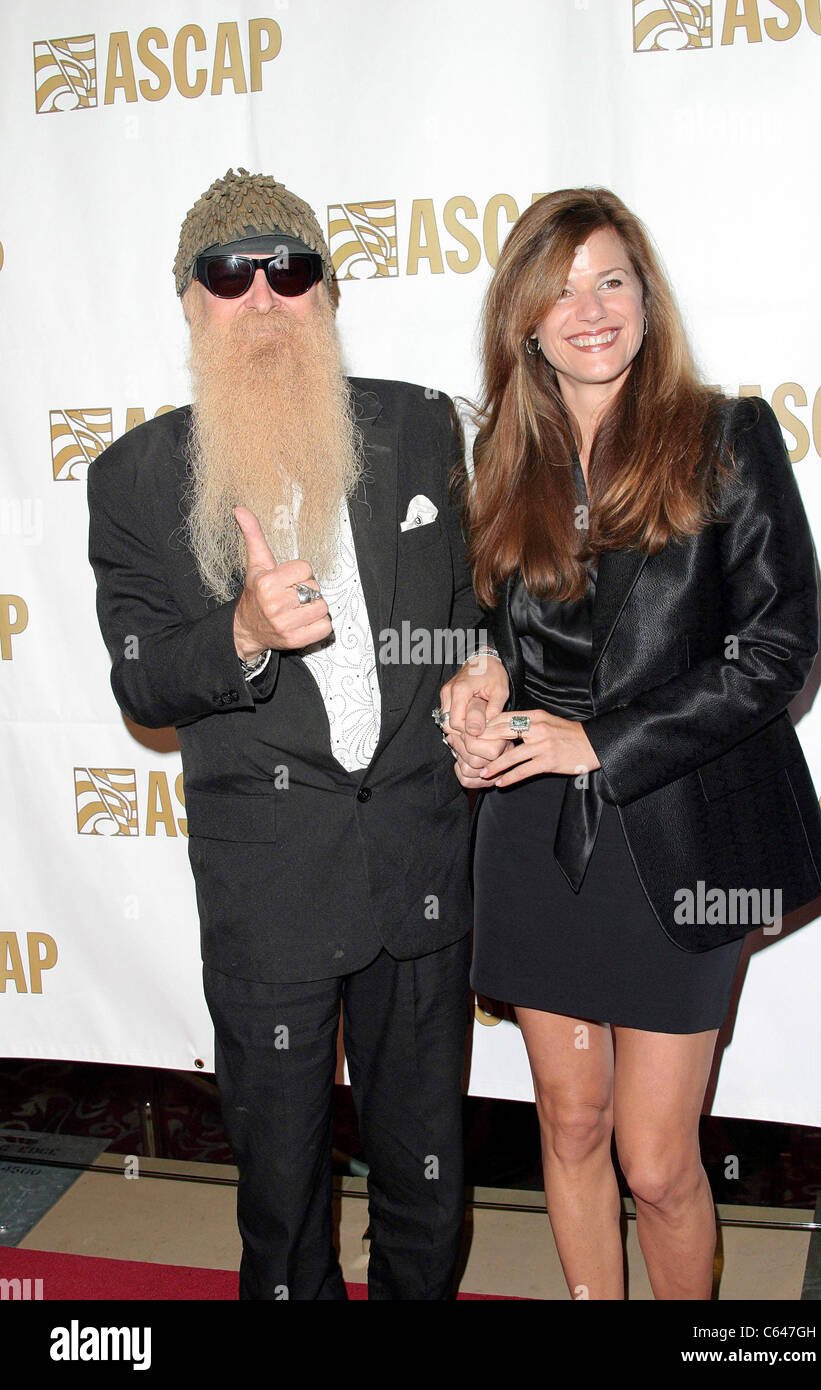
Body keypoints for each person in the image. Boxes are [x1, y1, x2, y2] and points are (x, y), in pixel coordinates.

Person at [87, 167, 495, 1300]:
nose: (261, 294)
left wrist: (480, 666)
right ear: (188, 299)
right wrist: (242, 631)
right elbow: (141, 681)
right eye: (230, 272)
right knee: (280, 1190)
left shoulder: (416, 428)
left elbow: (473, 606)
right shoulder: (132, 480)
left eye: (290, 268)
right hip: (268, 891)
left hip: (417, 862)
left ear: (325, 292)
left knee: (427, 1173)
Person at [440, 187, 821, 1300]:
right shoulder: (501, 456)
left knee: (657, 1160)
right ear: (521, 320)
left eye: (610, 278)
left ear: (645, 297)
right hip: (529, 831)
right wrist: (475, 682)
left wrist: (596, 742)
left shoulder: (722, 434)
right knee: (567, 1123)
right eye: (558, 288)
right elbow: (490, 623)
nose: (589, 307)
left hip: (678, 827)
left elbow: (776, 651)